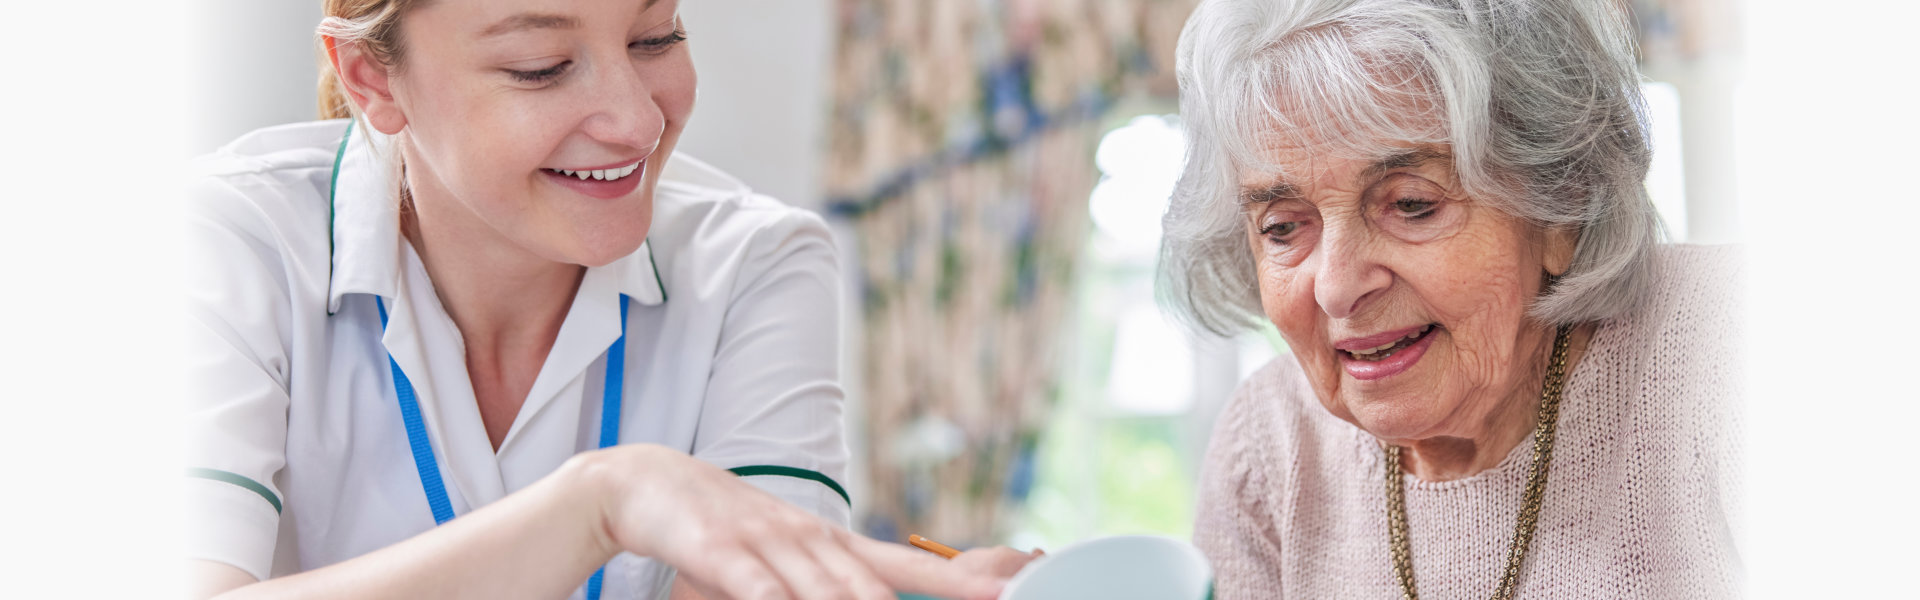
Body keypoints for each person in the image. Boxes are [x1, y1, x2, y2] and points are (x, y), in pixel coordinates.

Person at [183, 0, 1033, 598]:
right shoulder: (227, 239)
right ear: (371, 81)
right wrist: (601, 504)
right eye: (540, 67)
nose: (635, 121)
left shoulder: (756, 263)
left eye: (656, 36)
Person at [1161, 0, 1740, 597]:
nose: (1336, 287)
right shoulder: (1270, 441)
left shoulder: (1733, 341)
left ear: (1561, 206)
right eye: (1282, 227)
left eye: (1412, 204)